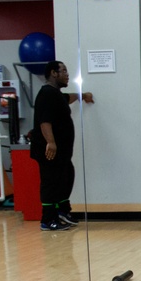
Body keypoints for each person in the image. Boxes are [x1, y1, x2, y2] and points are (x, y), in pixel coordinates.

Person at [31, 60, 93, 232]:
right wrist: (51, 142)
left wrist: (82, 95)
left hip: (62, 153)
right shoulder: (46, 94)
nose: (67, 74)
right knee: (50, 183)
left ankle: (62, 211)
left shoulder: (56, 94)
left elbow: (68, 98)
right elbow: (44, 121)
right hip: (49, 150)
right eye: (64, 71)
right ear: (53, 73)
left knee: (66, 177)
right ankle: (48, 219)